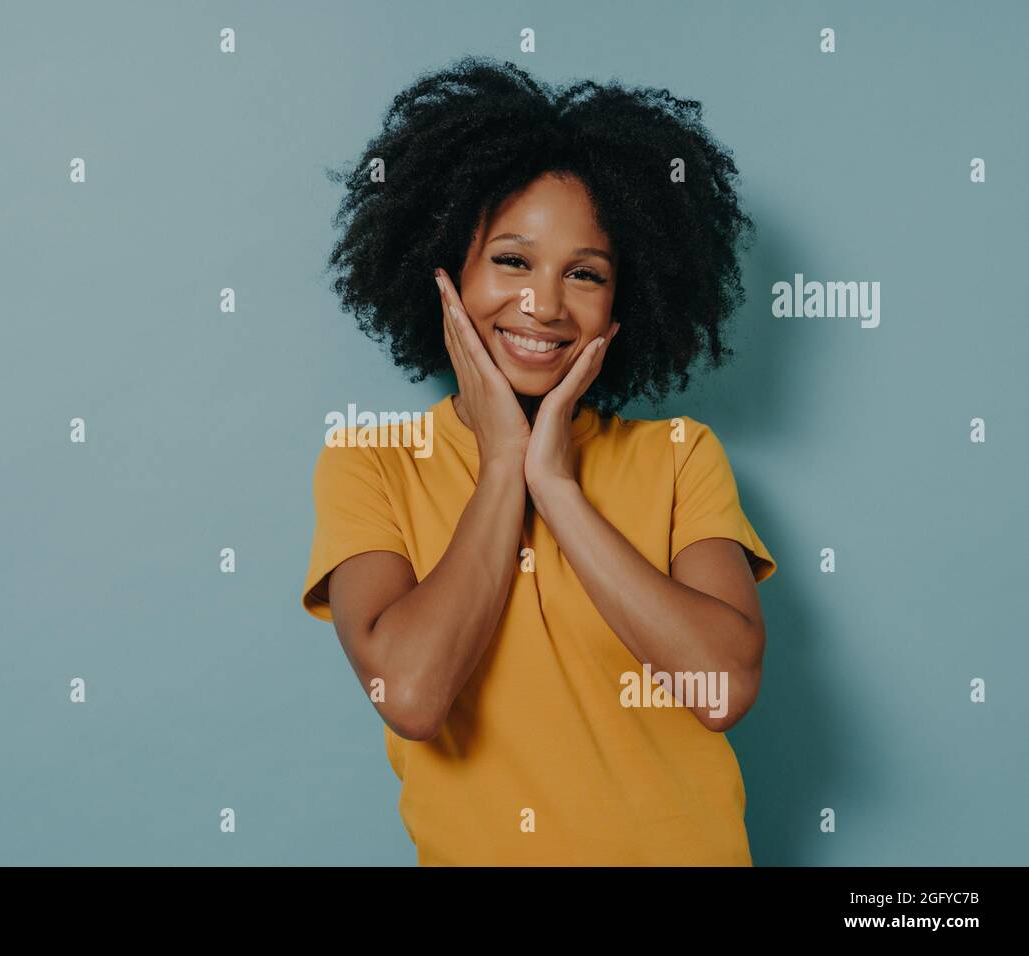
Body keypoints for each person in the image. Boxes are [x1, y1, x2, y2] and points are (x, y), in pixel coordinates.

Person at [301, 55, 777, 866]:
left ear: (625, 300)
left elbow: (722, 689)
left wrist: (554, 485)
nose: (544, 305)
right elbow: (412, 695)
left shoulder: (680, 456)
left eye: (584, 274)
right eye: (512, 261)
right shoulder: (370, 465)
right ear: (446, 273)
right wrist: (501, 467)